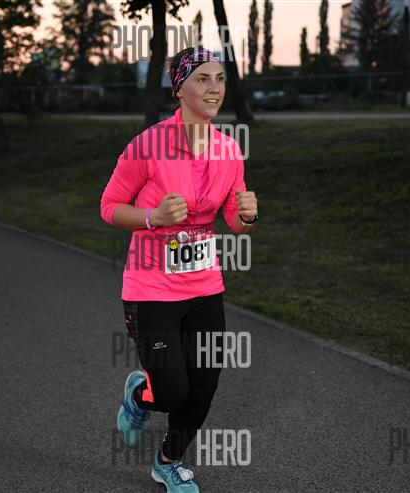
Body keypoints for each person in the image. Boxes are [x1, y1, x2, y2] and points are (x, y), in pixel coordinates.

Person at [100, 46, 258, 493]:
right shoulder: (147, 145)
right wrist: (153, 217)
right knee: (171, 392)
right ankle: (139, 396)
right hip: (151, 288)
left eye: (220, 79)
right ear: (179, 88)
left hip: (204, 285)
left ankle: (168, 463)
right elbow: (110, 206)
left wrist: (247, 216)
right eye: (203, 79)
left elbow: (235, 221)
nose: (214, 89)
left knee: (203, 386)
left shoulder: (229, 149)